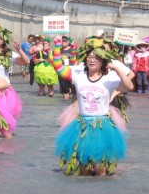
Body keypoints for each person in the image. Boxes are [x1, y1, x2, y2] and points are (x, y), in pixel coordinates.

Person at [51, 36, 134, 176]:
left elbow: (129, 86)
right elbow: (59, 68)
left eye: (96, 57)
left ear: (103, 61)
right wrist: (58, 46)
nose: (92, 59)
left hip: (102, 127)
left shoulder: (110, 78)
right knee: (83, 169)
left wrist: (117, 69)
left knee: (100, 169)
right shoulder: (79, 74)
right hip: (82, 125)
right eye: (89, 56)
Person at [0, 25, 30, 138]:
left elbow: (26, 61)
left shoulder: (9, 55)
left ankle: (7, 150)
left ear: (3, 39)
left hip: (3, 93)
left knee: (5, 125)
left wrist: (19, 49)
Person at [58, 36, 77, 100]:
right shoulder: (59, 50)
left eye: (65, 41)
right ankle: (65, 106)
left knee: (74, 91)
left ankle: (74, 107)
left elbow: (77, 61)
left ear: (68, 42)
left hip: (71, 72)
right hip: (62, 72)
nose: (63, 42)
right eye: (62, 41)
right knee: (65, 91)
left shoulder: (72, 50)